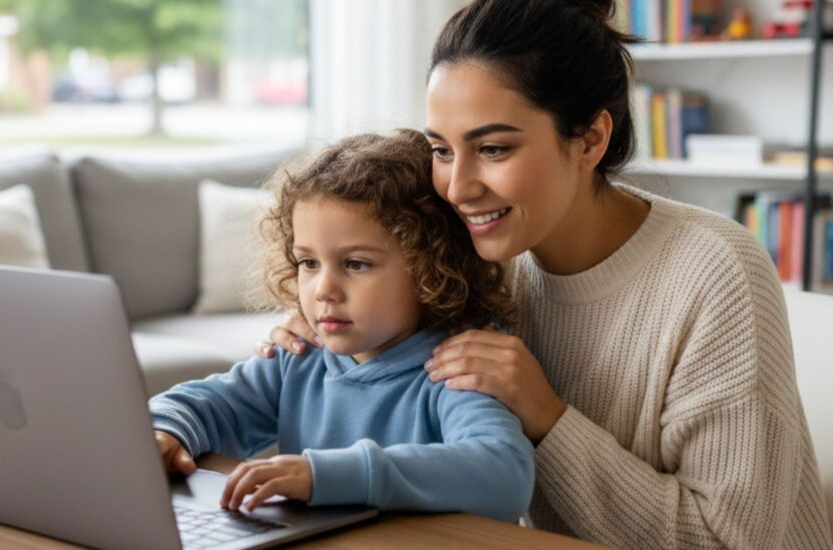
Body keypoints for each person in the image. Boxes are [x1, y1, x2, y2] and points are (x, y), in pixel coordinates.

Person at [256, 0, 833, 548]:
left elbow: (727, 541)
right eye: (442, 150)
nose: (458, 188)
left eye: (494, 149)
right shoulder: (475, 252)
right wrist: (325, 328)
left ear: (590, 139)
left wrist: (548, 419)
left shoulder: (714, 273)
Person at [150, 129, 534, 521]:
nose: (324, 290)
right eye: (309, 263)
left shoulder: (457, 367)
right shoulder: (302, 355)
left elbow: (505, 475)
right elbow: (212, 406)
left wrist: (326, 475)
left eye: (356, 264)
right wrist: (168, 431)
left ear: (431, 271)